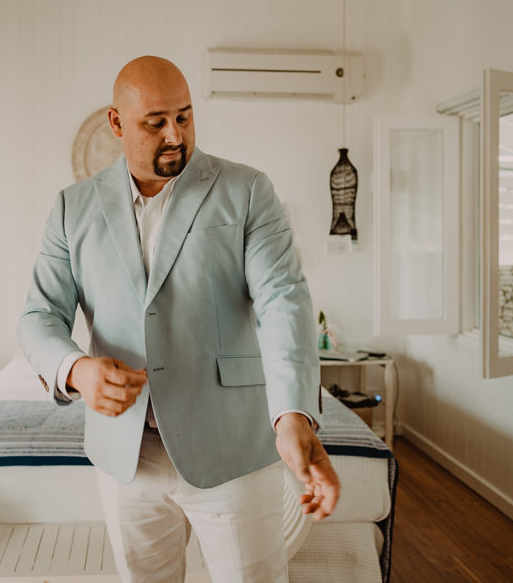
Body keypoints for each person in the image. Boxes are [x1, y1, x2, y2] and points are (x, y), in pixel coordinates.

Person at [18, 55, 340, 582]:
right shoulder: (70, 208)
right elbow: (38, 316)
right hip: (125, 456)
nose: (176, 135)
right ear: (117, 124)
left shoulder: (248, 190)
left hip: (232, 448)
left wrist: (292, 414)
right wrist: (76, 369)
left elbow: (284, 301)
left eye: (185, 117)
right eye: (156, 122)